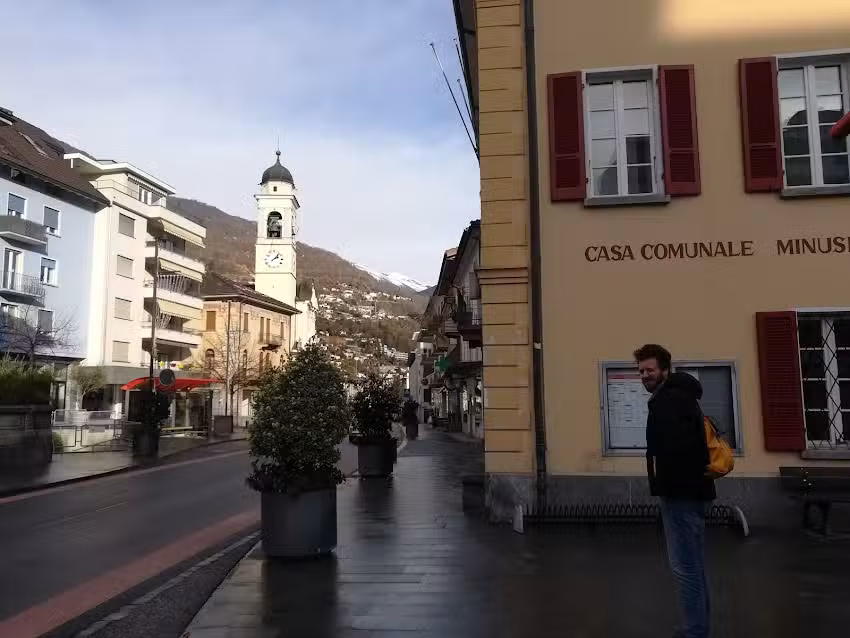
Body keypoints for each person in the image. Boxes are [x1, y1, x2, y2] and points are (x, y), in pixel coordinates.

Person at [634, 344, 714, 638]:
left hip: (682, 494)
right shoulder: (680, 396)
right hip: (689, 492)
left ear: (665, 369)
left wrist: (666, 485)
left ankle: (695, 632)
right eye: (641, 371)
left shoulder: (669, 400)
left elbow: (678, 450)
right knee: (695, 566)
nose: (644, 375)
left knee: (686, 568)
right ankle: (698, 627)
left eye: (650, 370)